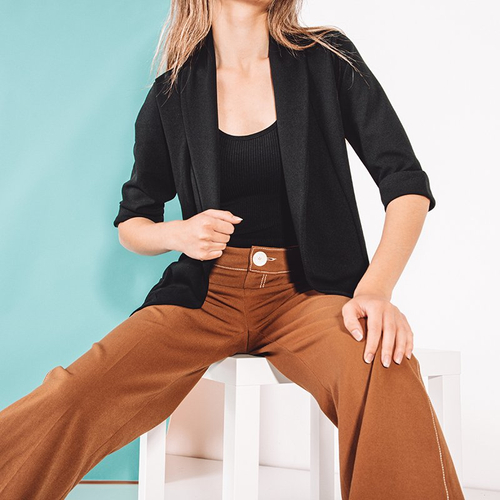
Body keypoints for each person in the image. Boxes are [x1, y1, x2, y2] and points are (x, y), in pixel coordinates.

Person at [0, 0, 466, 498]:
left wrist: (375, 290)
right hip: (204, 298)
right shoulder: (171, 94)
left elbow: (405, 183)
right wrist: (179, 234)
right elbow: (132, 223)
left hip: (309, 294)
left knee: (382, 363)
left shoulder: (328, 59)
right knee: (77, 391)